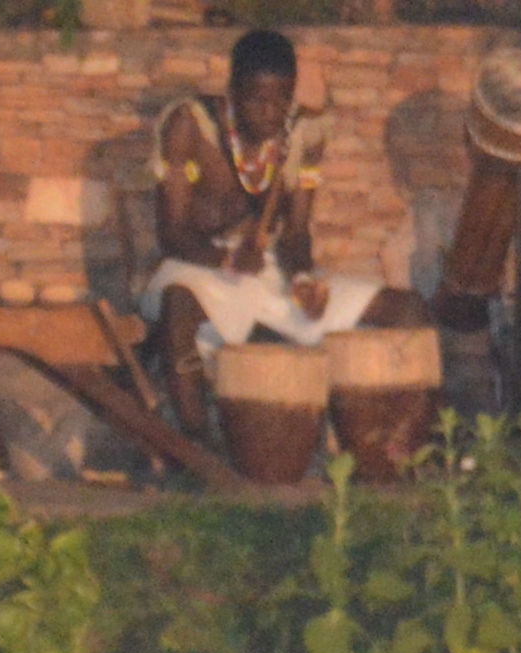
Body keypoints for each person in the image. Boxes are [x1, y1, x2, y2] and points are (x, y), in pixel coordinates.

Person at [141, 27, 428, 440]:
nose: (270, 113)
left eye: (281, 99)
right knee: (176, 308)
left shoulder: (305, 133)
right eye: (256, 100)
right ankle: (196, 451)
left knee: (407, 309)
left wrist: (303, 279)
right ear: (232, 92)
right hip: (198, 269)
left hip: (268, 272)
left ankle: (409, 448)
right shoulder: (190, 125)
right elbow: (171, 234)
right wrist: (226, 259)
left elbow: (295, 234)